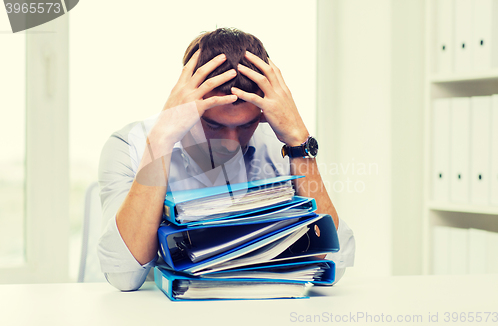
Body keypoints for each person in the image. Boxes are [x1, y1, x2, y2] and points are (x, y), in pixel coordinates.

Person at [97, 28, 355, 291]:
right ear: (186, 100)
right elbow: (124, 277)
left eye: (246, 125)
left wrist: (300, 143)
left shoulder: (279, 144)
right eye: (214, 125)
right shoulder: (129, 146)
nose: (232, 142)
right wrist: (161, 141)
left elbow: (335, 261)